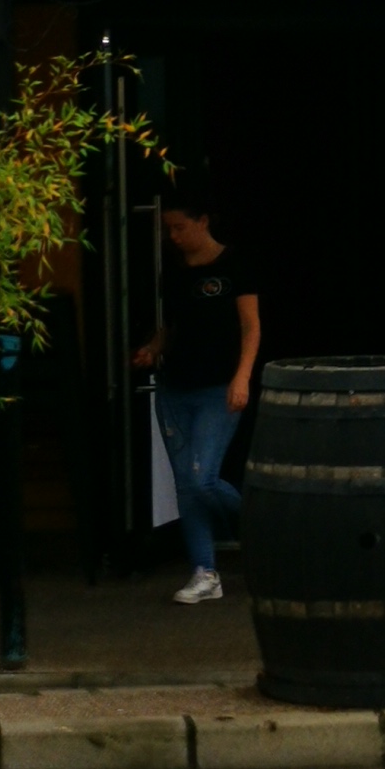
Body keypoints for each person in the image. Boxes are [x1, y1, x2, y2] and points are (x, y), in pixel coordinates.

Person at [133, 186, 261, 603]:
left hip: (218, 386)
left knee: (201, 477)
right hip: (176, 386)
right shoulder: (174, 270)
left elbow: (250, 326)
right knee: (186, 484)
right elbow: (172, 325)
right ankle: (204, 571)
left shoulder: (234, 263)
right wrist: (153, 348)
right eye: (168, 229)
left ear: (203, 222)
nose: (173, 236)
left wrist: (242, 377)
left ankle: (263, 521)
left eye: (179, 227)